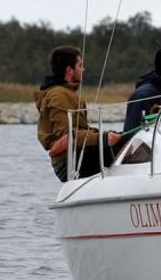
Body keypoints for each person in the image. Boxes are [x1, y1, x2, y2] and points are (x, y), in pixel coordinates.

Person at [35, 45, 120, 181]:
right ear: (69, 70)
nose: (83, 69)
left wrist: (106, 135)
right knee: (126, 144)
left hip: (76, 154)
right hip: (68, 162)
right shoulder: (58, 95)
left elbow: (77, 132)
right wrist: (103, 138)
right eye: (80, 66)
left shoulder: (66, 93)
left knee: (125, 139)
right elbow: (66, 136)